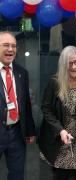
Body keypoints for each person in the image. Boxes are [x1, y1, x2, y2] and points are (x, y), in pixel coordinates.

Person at [38, 46, 76, 180]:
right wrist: (60, 130)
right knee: (60, 175)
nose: (74, 67)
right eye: (69, 63)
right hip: (61, 138)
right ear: (63, 64)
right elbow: (46, 109)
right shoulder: (54, 82)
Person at [0, 31, 36, 180]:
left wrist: (30, 130)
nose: (10, 50)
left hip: (16, 133)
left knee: (17, 174)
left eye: (14, 46)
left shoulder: (22, 72)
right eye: (6, 45)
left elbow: (26, 105)